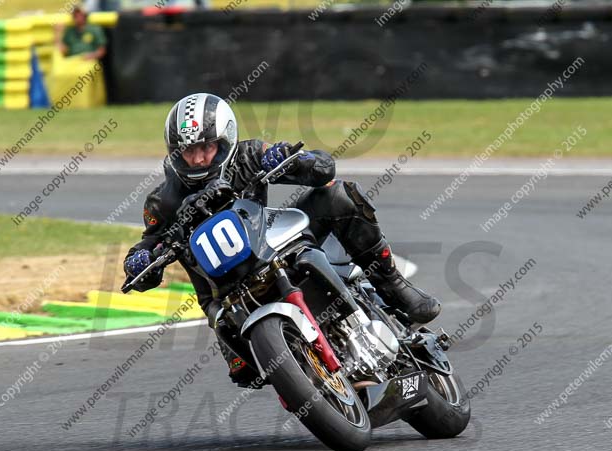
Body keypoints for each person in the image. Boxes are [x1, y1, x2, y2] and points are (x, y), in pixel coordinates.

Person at [123, 93, 440, 386]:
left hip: (272, 246)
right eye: (189, 151)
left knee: (337, 195)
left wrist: (292, 159)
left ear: (226, 141)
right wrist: (138, 261)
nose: (199, 159)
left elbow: (323, 168)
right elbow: (147, 252)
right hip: (223, 295)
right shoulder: (162, 202)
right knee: (248, 373)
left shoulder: (248, 155)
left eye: (207, 147)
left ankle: (393, 286)